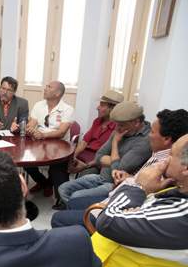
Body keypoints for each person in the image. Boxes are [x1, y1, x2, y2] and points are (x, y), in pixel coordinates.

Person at [94, 134, 188, 267]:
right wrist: (127, 212)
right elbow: (118, 216)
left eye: (172, 155)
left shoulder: (182, 215)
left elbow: (108, 221)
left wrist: (140, 187)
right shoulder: (176, 189)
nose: (166, 159)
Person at [52, 108, 188, 228]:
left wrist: (115, 144)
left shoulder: (164, 165)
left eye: (152, 132)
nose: (149, 135)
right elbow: (100, 156)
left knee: (61, 215)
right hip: (116, 186)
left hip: (115, 197)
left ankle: (80, 238)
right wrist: (129, 176)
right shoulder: (156, 151)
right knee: (67, 194)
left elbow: (122, 170)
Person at [57, 101, 152, 210]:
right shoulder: (120, 129)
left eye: (121, 125)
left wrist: (115, 143)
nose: (117, 128)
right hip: (101, 177)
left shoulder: (145, 141)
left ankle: (81, 215)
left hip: (115, 185)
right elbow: (99, 156)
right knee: (63, 189)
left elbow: (120, 169)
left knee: (76, 197)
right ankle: (79, 214)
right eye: (117, 124)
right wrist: (115, 160)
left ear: (136, 122)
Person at [24, 81, 73, 207]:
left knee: (57, 168)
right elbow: (32, 123)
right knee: (27, 162)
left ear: (57, 93)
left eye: (49, 87)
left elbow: (61, 132)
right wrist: (29, 128)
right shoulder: (39, 105)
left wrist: (43, 134)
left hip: (59, 146)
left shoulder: (67, 109)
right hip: (39, 143)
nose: (45, 88)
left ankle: (62, 199)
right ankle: (44, 183)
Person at [69, 90, 123, 176]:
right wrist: (73, 156)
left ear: (113, 109)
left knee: (85, 175)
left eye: (102, 105)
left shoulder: (119, 128)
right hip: (85, 155)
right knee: (61, 164)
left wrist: (86, 166)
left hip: (98, 161)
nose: (97, 108)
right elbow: (84, 142)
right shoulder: (97, 121)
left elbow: (108, 155)